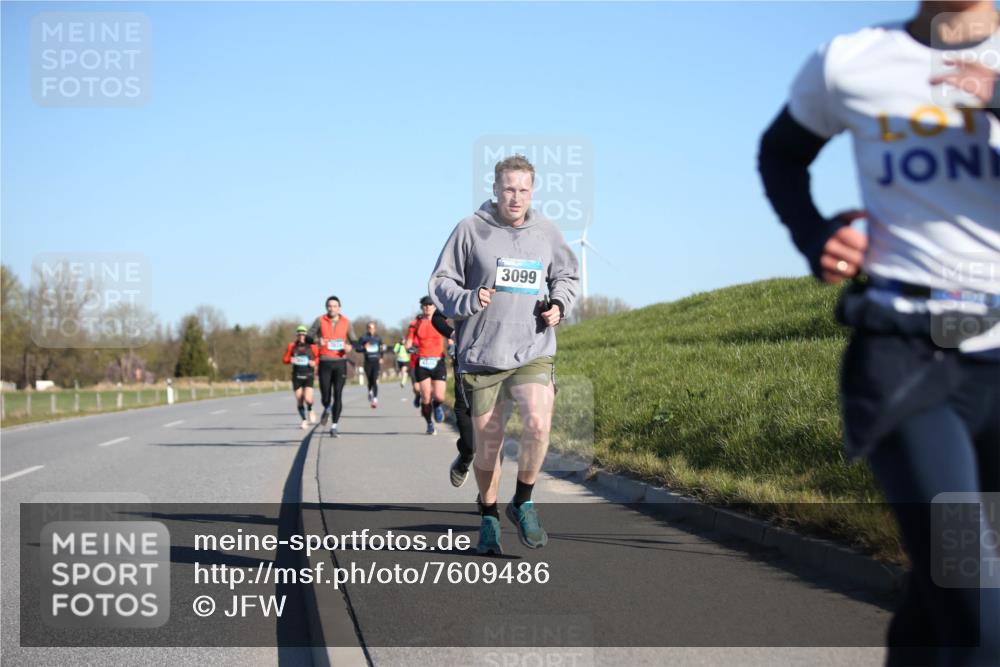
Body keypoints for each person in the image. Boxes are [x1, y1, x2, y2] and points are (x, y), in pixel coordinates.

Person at [758, 3, 999, 664]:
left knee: (940, 606)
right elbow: (780, 155)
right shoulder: (851, 62)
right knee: (976, 602)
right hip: (910, 358)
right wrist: (816, 233)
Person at [429, 154, 580, 555]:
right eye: (509, 189)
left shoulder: (546, 231)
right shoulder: (470, 229)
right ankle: (490, 515)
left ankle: (524, 501)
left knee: (538, 423)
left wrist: (559, 305)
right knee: (488, 446)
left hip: (533, 347)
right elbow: (440, 281)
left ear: (533, 191)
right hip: (481, 354)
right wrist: (466, 298)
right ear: (495, 189)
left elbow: (566, 275)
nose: (516, 197)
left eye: (524, 190)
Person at [430, 308, 475, 487]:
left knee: (493, 439)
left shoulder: (510, 287)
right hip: (466, 365)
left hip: (502, 365)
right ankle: (465, 458)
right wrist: (453, 333)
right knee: (472, 443)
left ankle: (488, 499)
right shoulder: (465, 286)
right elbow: (438, 317)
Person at [306, 296, 357, 438]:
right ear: (326, 307)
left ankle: (334, 426)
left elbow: (354, 340)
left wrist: (349, 346)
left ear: (339, 308)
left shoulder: (346, 322)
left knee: (338, 394)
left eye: (334, 306)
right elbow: (308, 337)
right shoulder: (320, 320)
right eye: (329, 306)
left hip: (340, 361)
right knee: (325, 394)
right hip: (324, 361)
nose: (332, 308)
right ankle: (327, 407)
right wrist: (317, 340)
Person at [406, 296, 448, 435]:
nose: (428, 307)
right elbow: (408, 342)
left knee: (440, 396)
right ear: (421, 307)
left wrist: (453, 347)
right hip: (422, 362)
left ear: (435, 306)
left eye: (430, 304)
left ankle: (437, 406)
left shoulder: (442, 321)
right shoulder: (415, 323)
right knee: (425, 397)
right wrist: (410, 348)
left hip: (438, 361)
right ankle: (429, 424)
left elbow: (449, 336)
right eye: (425, 305)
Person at [281, 325, 318, 429]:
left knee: (308, 398)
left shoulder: (312, 346)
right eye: (299, 334)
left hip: (308, 375)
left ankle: (310, 409)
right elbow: (285, 359)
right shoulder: (292, 346)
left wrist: (314, 362)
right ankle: (304, 420)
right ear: (297, 335)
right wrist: (289, 360)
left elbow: (318, 358)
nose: (301, 336)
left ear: (306, 335)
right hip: (297, 376)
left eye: (303, 334)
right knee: (299, 399)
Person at [355, 322, 384, 408]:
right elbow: (357, 349)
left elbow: (381, 348)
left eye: (372, 328)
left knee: (374, 380)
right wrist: (363, 347)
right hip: (367, 362)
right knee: (370, 380)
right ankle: (370, 392)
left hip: (376, 362)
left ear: (375, 329)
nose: (371, 329)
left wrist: (381, 357)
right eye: (369, 328)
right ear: (367, 329)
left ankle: (374, 399)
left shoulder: (378, 338)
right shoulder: (363, 338)